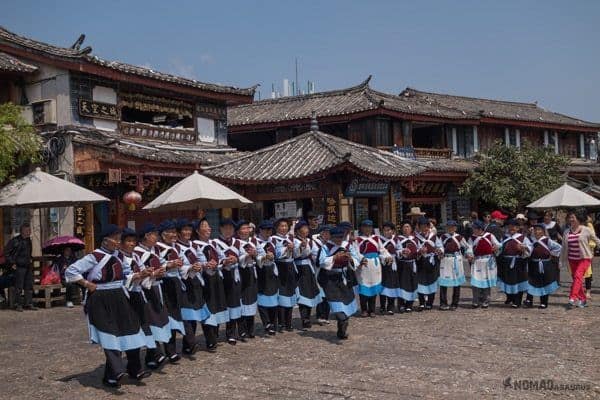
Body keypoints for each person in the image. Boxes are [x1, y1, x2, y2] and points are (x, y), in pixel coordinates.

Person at [65, 224, 150, 387]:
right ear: (105, 240)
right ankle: (117, 371)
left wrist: (139, 275)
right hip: (100, 298)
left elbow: (126, 275)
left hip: (119, 296)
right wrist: (86, 283)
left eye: (119, 239)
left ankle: (117, 375)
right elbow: (71, 271)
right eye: (116, 239)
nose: (119, 242)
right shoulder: (94, 256)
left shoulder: (119, 256)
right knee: (109, 334)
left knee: (129, 330)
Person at [133, 223, 170, 369]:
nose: (157, 237)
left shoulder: (154, 250)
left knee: (158, 320)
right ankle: (155, 353)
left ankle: (152, 357)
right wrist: (154, 274)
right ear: (147, 236)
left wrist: (169, 266)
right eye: (154, 234)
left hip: (155, 289)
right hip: (144, 290)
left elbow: (162, 264)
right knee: (150, 321)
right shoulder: (138, 253)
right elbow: (139, 272)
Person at [119, 228, 158, 354]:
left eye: (133, 241)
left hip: (137, 293)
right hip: (125, 295)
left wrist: (150, 273)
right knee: (130, 328)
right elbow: (118, 278)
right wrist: (136, 276)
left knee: (144, 324)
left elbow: (142, 271)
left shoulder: (135, 255)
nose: (132, 244)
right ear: (121, 243)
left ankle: (153, 355)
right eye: (128, 241)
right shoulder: (117, 257)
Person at [317, 226, 359, 340]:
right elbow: (321, 262)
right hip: (330, 278)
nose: (339, 240)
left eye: (341, 237)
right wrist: (334, 257)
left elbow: (356, 258)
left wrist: (350, 259)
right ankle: (342, 320)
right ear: (331, 237)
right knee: (336, 302)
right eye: (336, 237)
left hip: (344, 277)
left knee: (346, 301)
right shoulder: (325, 247)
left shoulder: (347, 246)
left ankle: (342, 327)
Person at [193, 218, 229, 352]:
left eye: (209, 226)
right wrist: (207, 265)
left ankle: (215, 334)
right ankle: (210, 339)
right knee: (208, 308)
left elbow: (221, 256)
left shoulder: (213, 243)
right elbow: (196, 261)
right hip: (204, 279)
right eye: (204, 226)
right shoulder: (194, 245)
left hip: (216, 278)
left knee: (217, 306)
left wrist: (225, 261)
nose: (208, 228)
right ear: (197, 231)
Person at [155, 220, 186, 363]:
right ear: (163, 234)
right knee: (163, 318)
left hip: (175, 283)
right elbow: (156, 264)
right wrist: (169, 265)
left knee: (174, 317)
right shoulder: (157, 248)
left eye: (175, 232)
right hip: (163, 284)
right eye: (171, 232)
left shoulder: (177, 247)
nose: (174, 235)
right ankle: (158, 351)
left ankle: (171, 350)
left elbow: (184, 264)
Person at [175, 219, 207, 354]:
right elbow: (180, 266)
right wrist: (190, 268)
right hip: (185, 281)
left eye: (189, 230)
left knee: (193, 313)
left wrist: (203, 265)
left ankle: (187, 346)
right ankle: (190, 341)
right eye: (184, 230)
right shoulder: (175, 247)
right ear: (178, 232)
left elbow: (201, 259)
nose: (187, 232)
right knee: (187, 313)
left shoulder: (194, 245)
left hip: (196, 280)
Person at [212, 219, 245, 345]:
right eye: (225, 228)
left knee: (233, 305)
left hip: (233, 275)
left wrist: (237, 259)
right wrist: (224, 262)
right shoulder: (214, 243)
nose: (228, 230)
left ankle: (231, 333)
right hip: (220, 276)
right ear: (220, 229)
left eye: (231, 228)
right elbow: (213, 258)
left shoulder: (237, 242)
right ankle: (214, 333)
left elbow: (243, 258)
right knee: (219, 304)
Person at [560, 209, 600, 309]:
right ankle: (582, 299)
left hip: (584, 258)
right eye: (570, 218)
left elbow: (597, 240)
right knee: (576, 279)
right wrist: (561, 261)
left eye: (573, 217)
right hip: (572, 259)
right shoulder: (566, 231)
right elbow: (564, 247)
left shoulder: (586, 229)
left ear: (578, 219)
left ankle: (572, 298)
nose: (571, 219)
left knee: (578, 276)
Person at [354, 219, 391, 317]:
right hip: (364, 265)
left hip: (375, 265)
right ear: (361, 228)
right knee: (363, 287)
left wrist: (387, 256)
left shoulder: (376, 239)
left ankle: (372, 309)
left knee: (374, 287)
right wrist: (361, 259)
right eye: (365, 227)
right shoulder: (357, 240)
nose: (367, 229)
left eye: (369, 227)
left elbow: (382, 250)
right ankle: (364, 309)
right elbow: (356, 252)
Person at [524, 223, 561, 309]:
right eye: (535, 230)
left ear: (543, 232)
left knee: (544, 283)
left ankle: (544, 302)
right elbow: (529, 251)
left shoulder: (547, 240)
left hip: (545, 265)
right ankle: (529, 300)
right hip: (533, 264)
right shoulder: (531, 241)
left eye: (539, 230)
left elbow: (559, 247)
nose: (537, 231)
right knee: (531, 282)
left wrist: (551, 254)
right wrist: (525, 249)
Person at [497, 219, 531, 308]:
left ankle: (517, 301)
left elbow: (529, 249)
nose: (512, 228)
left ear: (518, 228)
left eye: (514, 227)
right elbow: (500, 248)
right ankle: (510, 297)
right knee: (507, 281)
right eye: (510, 227)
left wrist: (523, 249)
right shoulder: (504, 238)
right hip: (506, 262)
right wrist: (496, 249)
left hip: (518, 262)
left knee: (518, 282)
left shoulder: (523, 238)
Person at [271, 218, 298, 331]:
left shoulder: (291, 238)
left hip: (290, 266)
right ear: (277, 228)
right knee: (281, 295)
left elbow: (296, 253)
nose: (284, 228)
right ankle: (281, 322)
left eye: (286, 226)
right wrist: (286, 248)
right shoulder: (273, 239)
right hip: (280, 267)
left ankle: (289, 322)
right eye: (281, 226)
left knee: (290, 294)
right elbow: (276, 254)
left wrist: (300, 247)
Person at [467, 220, 500, 308]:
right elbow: (469, 248)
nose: (473, 230)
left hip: (488, 261)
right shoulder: (472, 238)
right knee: (475, 281)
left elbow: (498, 245)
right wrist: (470, 255)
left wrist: (496, 247)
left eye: (474, 228)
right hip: (477, 261)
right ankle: (475, 300)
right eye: (473, 228)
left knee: (486, 281)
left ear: (480, 229)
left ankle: (486, 300)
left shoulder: (489, 236)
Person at [254, 220, 279, 335]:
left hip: (272, 270)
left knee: (273, 296)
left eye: (270, 229)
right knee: (263, 297)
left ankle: (273, 322)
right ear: (260, 230)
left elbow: (279, 254)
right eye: (266, 230)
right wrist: (264, 257)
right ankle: (266, 322)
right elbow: (254, 257)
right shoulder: (254, 241)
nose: (268, 232)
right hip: (260, 270)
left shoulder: (273, 240)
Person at [438, 220, 469, 310]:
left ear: (455, 228)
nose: (450, 228)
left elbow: (467, 247)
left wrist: (468, 253)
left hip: (456, 259)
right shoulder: (443, 237)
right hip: (445, 259)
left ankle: (454, 303)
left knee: (456, 282)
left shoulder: (459, 237)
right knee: (443, 282)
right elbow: (439, 246)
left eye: (452, 227)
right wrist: (440, 251)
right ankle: (443, 303)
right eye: (448, 227)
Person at [236, 220, 259, 340]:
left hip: (251, 271)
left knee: (251, 300)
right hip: (241, 272)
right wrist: (247, 255)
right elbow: (237, 259)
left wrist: (257, 255)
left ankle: (251, 329)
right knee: (243, 301)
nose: (246, 231)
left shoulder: (253, 241)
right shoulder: (236, 243)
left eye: (247, 228)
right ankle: (242, 330)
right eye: (243, 228)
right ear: (238, 231)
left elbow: (260, 256)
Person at [415, 216, 444, 310]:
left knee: (432, 281)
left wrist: (439, 250)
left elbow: (440, 246)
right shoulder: (416, 238)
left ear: (428, 227)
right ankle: (422, 302)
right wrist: (419, 251)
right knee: (420, 281)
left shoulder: (434, 237)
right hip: (421, 261)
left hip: (432, 261)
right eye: (421, 226)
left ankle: (430, 302)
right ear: (419, 227)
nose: (424, 228)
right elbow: (414, 248)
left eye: (425, 226)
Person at [4, 224, 35, 311]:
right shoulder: (15, 241)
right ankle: (18, 304)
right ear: (22, 231)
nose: (29, 232)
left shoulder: (29, 240)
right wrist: (12, 263)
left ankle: (28, 303)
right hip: (19, 266)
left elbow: (29, 252)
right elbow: (6, 253)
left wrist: (30, 259)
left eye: (29, 230)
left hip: (28, 266)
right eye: (27, 230)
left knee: (29, 286)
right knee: (19, 286)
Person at [396, 221, 419, 312]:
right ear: (401, 229)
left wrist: (420, 252)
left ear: (411, 229)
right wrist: (402, 252)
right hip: (402, 264)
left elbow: (418, 249)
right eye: (404, 227)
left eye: (408, 227)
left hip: (412, 263)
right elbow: (396, 249)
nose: (406, 229)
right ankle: (401, 304)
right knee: (402, 284)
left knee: (412, 283)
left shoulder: (415, 239)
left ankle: (409, 304)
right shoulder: (398, 239)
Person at [379, 222, 401, 315]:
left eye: (389, 230)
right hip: (382, 265)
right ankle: (382, 306)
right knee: (382, 285)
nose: (387, 232)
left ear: (393, 231)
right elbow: (378, 251)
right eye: (385, 230)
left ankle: (391, 306)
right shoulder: (379, 240)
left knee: (392, 285)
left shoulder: (396, 239)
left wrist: (401, 253)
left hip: (392, 264)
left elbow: (399, 250)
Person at [312, 225, 332, 324]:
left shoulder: (331, 243)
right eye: (325, 233)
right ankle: (320, 315)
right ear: (321, 233)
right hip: (319, 270)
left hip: (330, 270)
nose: (328, 235)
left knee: (328, 293)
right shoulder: (315, 243)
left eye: (329, 233)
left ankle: (326, 315)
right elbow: (314, 257)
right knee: (321, 294)